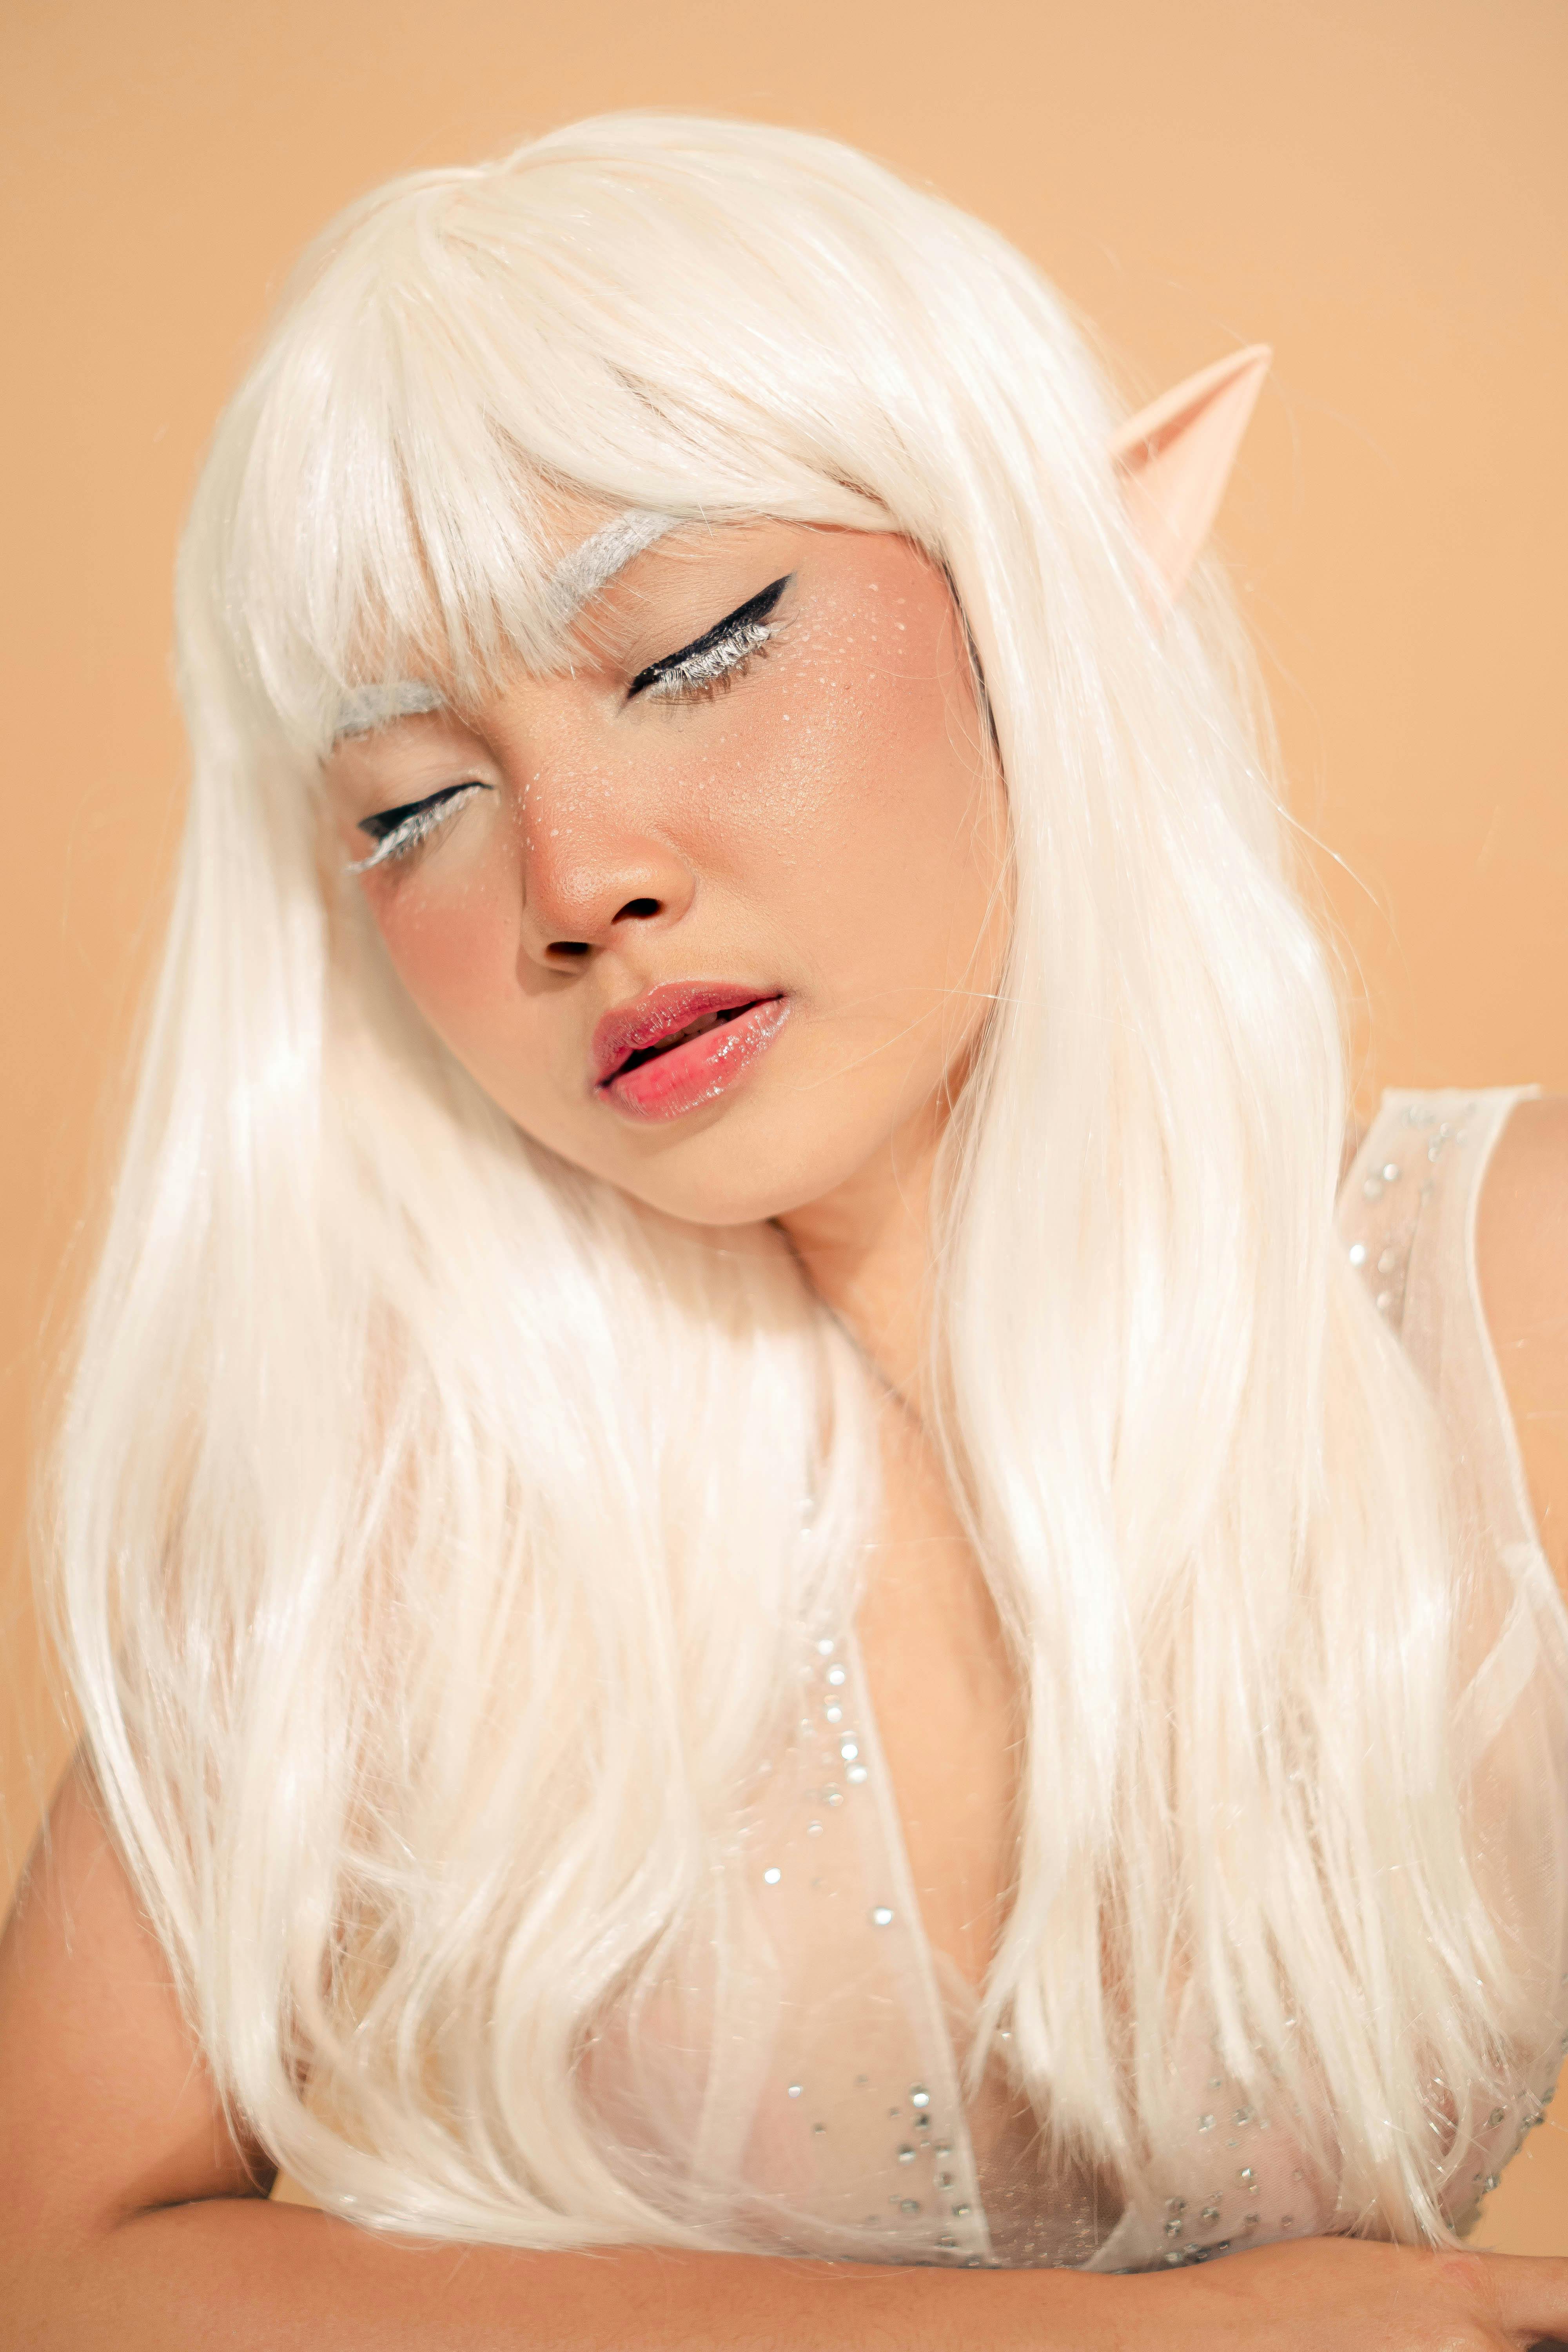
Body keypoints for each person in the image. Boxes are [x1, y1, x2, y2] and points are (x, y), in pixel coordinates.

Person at [4, 111, 1568, 2351]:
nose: (573, 882)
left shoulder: (1503, 1309)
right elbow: (47, 2262)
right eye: (414, 804)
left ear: (1042, 580)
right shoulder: (388, 1483)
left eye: (691, 649)